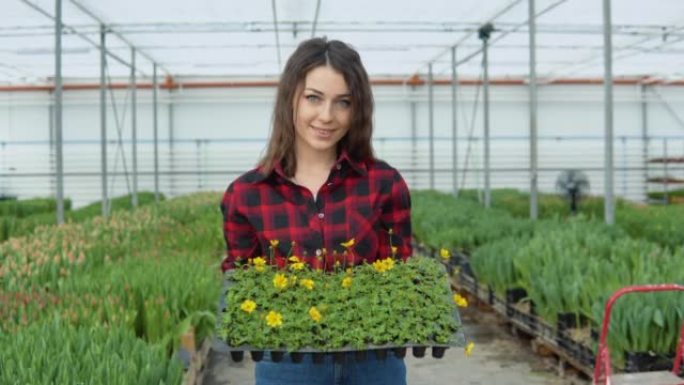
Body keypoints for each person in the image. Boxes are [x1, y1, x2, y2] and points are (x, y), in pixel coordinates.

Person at [220, 37, 412, 385]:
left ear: (358, 110)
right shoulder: (247, 194)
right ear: (290, 98)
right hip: (288, 362)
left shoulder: (384, 184)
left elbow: (401, 274)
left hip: (373, 357)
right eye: (313, 98)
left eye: (343, 102)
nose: (327, 116)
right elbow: (241, 282)